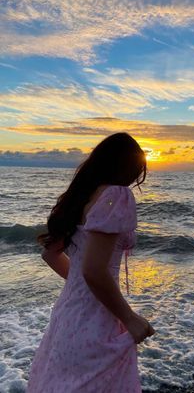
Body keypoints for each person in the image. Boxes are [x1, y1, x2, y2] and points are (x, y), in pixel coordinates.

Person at [27, 132, 156, 393]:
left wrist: (84, 283)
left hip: (67, 317)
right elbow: (94, 271)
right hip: (95, 319)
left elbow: (51, 255)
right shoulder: (116, 195)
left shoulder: (80, 198)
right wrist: (129, 317)